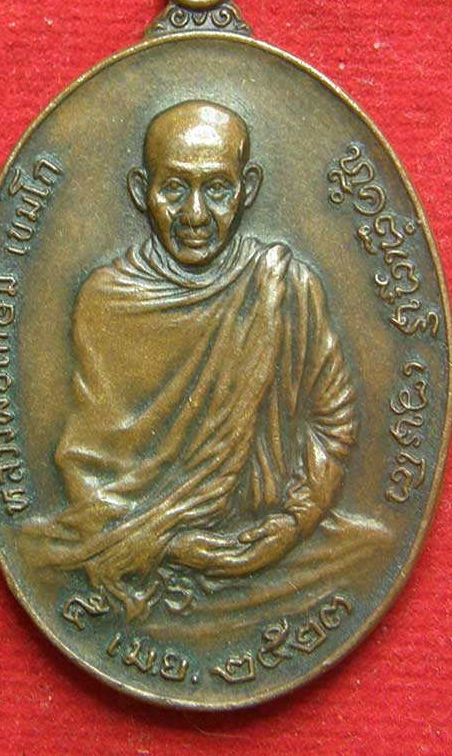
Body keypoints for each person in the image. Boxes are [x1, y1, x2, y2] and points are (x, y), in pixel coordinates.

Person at [22, 100, 368, 621]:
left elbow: (334, 423)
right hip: (139, 546)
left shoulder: (285, 288)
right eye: (174, 189)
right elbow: (88, 466)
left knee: (368, 550)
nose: (196, 216)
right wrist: (177, 546)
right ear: (141, 191)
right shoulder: (107, 301)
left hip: (275, 542)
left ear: (248, 189)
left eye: (218, 189)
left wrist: (288, 527)